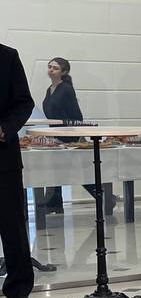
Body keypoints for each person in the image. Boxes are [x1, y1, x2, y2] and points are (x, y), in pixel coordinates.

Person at [0, 42, 34, 298]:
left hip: (2, 157)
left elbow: (24, 102)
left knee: (13, 226)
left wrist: (5, 128)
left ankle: (19, 290)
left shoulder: (7, 56)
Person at [41, 56, 85, 214]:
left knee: (73, 172)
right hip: (56, 135)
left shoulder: (66, 89)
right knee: (57, 170)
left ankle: (106, 197)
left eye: (55, 68)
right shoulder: (49, 89)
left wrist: (64, 130)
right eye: (49, 67)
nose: (51, 70)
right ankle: (54, 203)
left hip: (68, 136)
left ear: (64, 72)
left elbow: (77, 116)